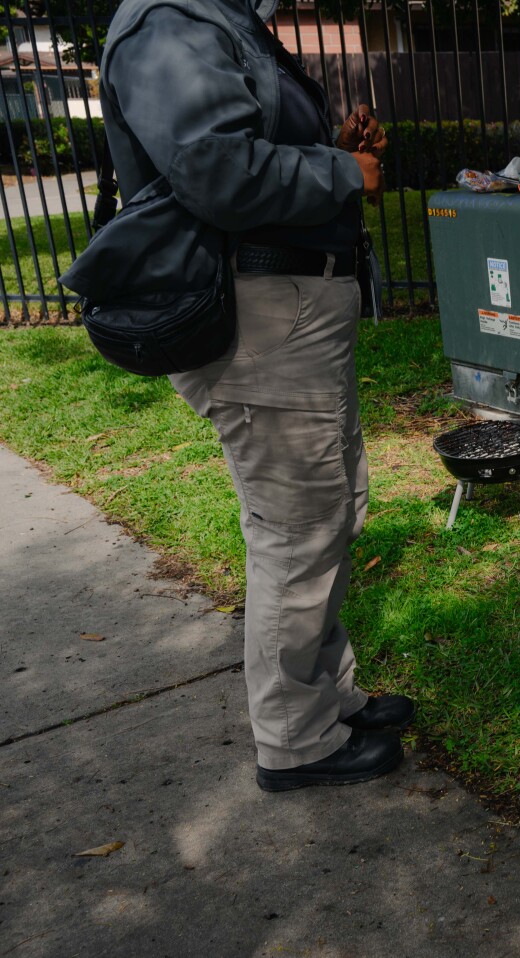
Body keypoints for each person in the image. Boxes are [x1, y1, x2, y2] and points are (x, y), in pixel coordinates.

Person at [99, 0, 416, 791]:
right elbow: (213, 169)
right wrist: (341, 172)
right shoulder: (168, 20)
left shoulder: (218, 17)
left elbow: (243, 150)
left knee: (332, 512)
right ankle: (294, 740)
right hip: (257, 317)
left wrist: (325, 149)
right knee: (299, 529)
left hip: (290, 305)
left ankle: (325, 695)